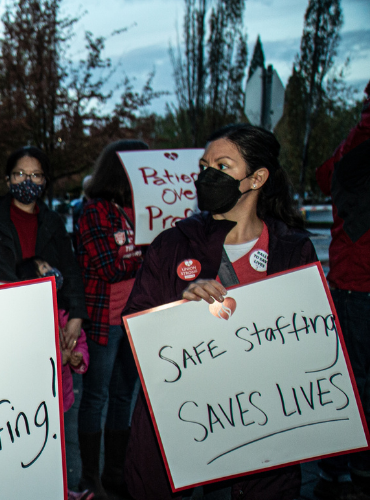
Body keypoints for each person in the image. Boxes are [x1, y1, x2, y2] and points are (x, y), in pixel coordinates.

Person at [123, 124, 313, 499]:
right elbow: (136, 333)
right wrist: (181, 309)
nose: (208, 175)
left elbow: (310, 344)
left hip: (263, 435)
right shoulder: (172, 245)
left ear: (256, 178)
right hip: (184, 427)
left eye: (223, 166)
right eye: (204, 165)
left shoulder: (293, 252)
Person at [74, 140, 147, 499]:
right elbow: (109, 267)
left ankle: (115, 473)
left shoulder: (147, 210)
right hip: (105, 319)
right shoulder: (94, 212)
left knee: (124, 397)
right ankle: (90, 477)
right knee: (96, 397)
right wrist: (150, 257)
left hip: (136, 320)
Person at [313, 81, 370, 500]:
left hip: (354, 281)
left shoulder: (354, 141)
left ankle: (338, 467)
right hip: (358, 282)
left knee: (351, 377)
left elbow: (323, 177)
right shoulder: (360, 144)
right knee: (357, 381)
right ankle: (348, 468)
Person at [0, 146, 88, 357]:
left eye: (36, 175)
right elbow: (2, 278)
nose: (27, 181)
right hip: (13, 324)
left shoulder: (53, 222)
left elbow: (70, 268)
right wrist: (41, 323)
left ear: (44, 182)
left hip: (59, 317)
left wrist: (76, 316)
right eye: (20, 174)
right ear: (8, 180)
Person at [17, 256, 93, 500]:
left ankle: (67, 490)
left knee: (65, 447)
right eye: (42, 270)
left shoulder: (63, 313)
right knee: (40, 450)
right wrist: (55, 358)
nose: (50, 272)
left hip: (65, 398)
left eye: (49, 266)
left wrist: (78, 358)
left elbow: (79, 342)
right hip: (38, 405)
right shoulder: (26, 321)